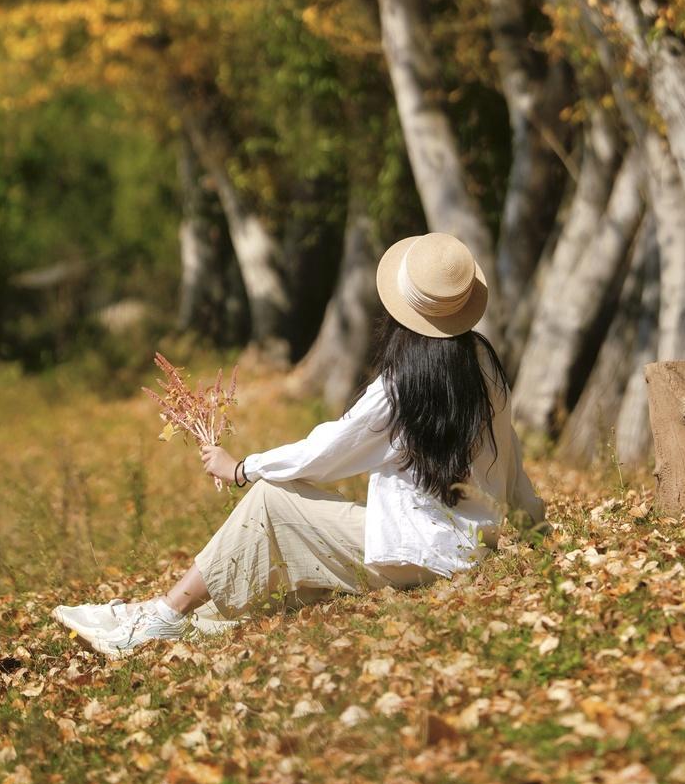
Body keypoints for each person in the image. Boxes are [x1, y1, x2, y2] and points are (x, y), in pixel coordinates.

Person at [53, 231, 547, 657]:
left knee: (272, 500)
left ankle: (162, 614)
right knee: (295, 540)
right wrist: (533, 523)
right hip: (467, 550)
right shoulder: (484, 365)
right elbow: (511, 455)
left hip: (419, 557)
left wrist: (243, 467)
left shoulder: (403, 386)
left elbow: (326, 453)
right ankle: (173, 621)